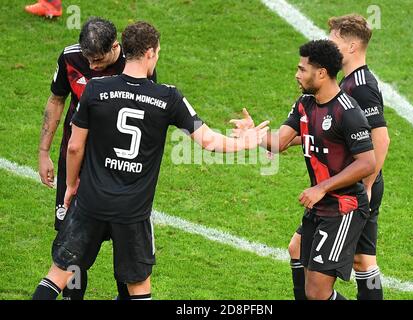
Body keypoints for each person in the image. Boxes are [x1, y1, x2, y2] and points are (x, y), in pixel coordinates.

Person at [32, 21, 269, 300]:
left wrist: (72, 186)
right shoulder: (168, 97)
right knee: (139, 289)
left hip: (91, 201)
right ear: (150, 53)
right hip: (133, 211)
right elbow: (209, 142)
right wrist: (246, 142)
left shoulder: (95, 89)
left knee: (57, 275)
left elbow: (74, 147)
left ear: (123, 49)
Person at [232, 39, 375, 300]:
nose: (297, 75)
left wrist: (321, 188)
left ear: (321, 73)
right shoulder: (305, 103)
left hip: (344, 208)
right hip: (321, 206)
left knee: (318, 293)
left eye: (302, 69)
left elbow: (367, 163)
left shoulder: (348, 112)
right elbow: (279, 143)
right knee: (303, 267)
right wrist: (254, 136)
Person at [37, 17, 157, 300]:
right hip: (74, 156)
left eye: (99, 61)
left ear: (116, 47)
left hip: (114, 165)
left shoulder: (135, 63)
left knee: (124, 242)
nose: (92, 68)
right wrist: (43, 152)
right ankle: (73, 298)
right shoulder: (70, 58)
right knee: (72, 246)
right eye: (88, 60)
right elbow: (56, 101)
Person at [287, 14, 390, 300]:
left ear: (352, 47)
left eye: (333, 40)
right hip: (347, 185)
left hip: (356, 186)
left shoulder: (361, 88)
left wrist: (367, 186)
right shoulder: (347, 82)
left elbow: (380, 140)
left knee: (363, 260)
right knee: (300, 249)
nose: (327, 44)